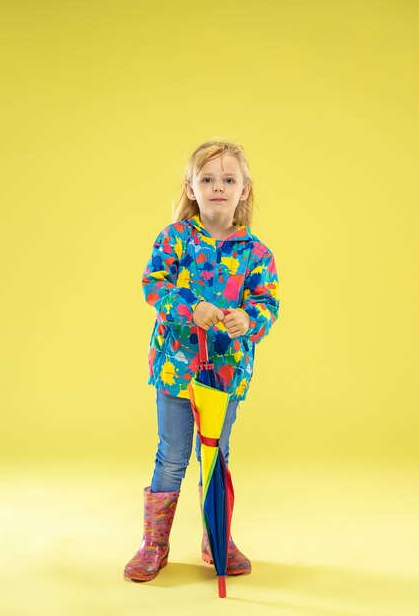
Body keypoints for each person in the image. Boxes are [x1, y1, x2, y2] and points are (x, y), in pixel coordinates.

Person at [123, 139, 280, 582]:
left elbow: (268, 304)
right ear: (191, 188)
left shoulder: (257, 254)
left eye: (228, 180)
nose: (217, 187)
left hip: (225, 375)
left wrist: (248, 319)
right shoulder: (174, 240)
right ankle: (153, 543)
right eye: (207, 179)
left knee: (215, 454)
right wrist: (192, 307)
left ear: (244, 190)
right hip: (177, 367)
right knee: (172, 455)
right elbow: (154, 286)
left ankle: (217, 537)